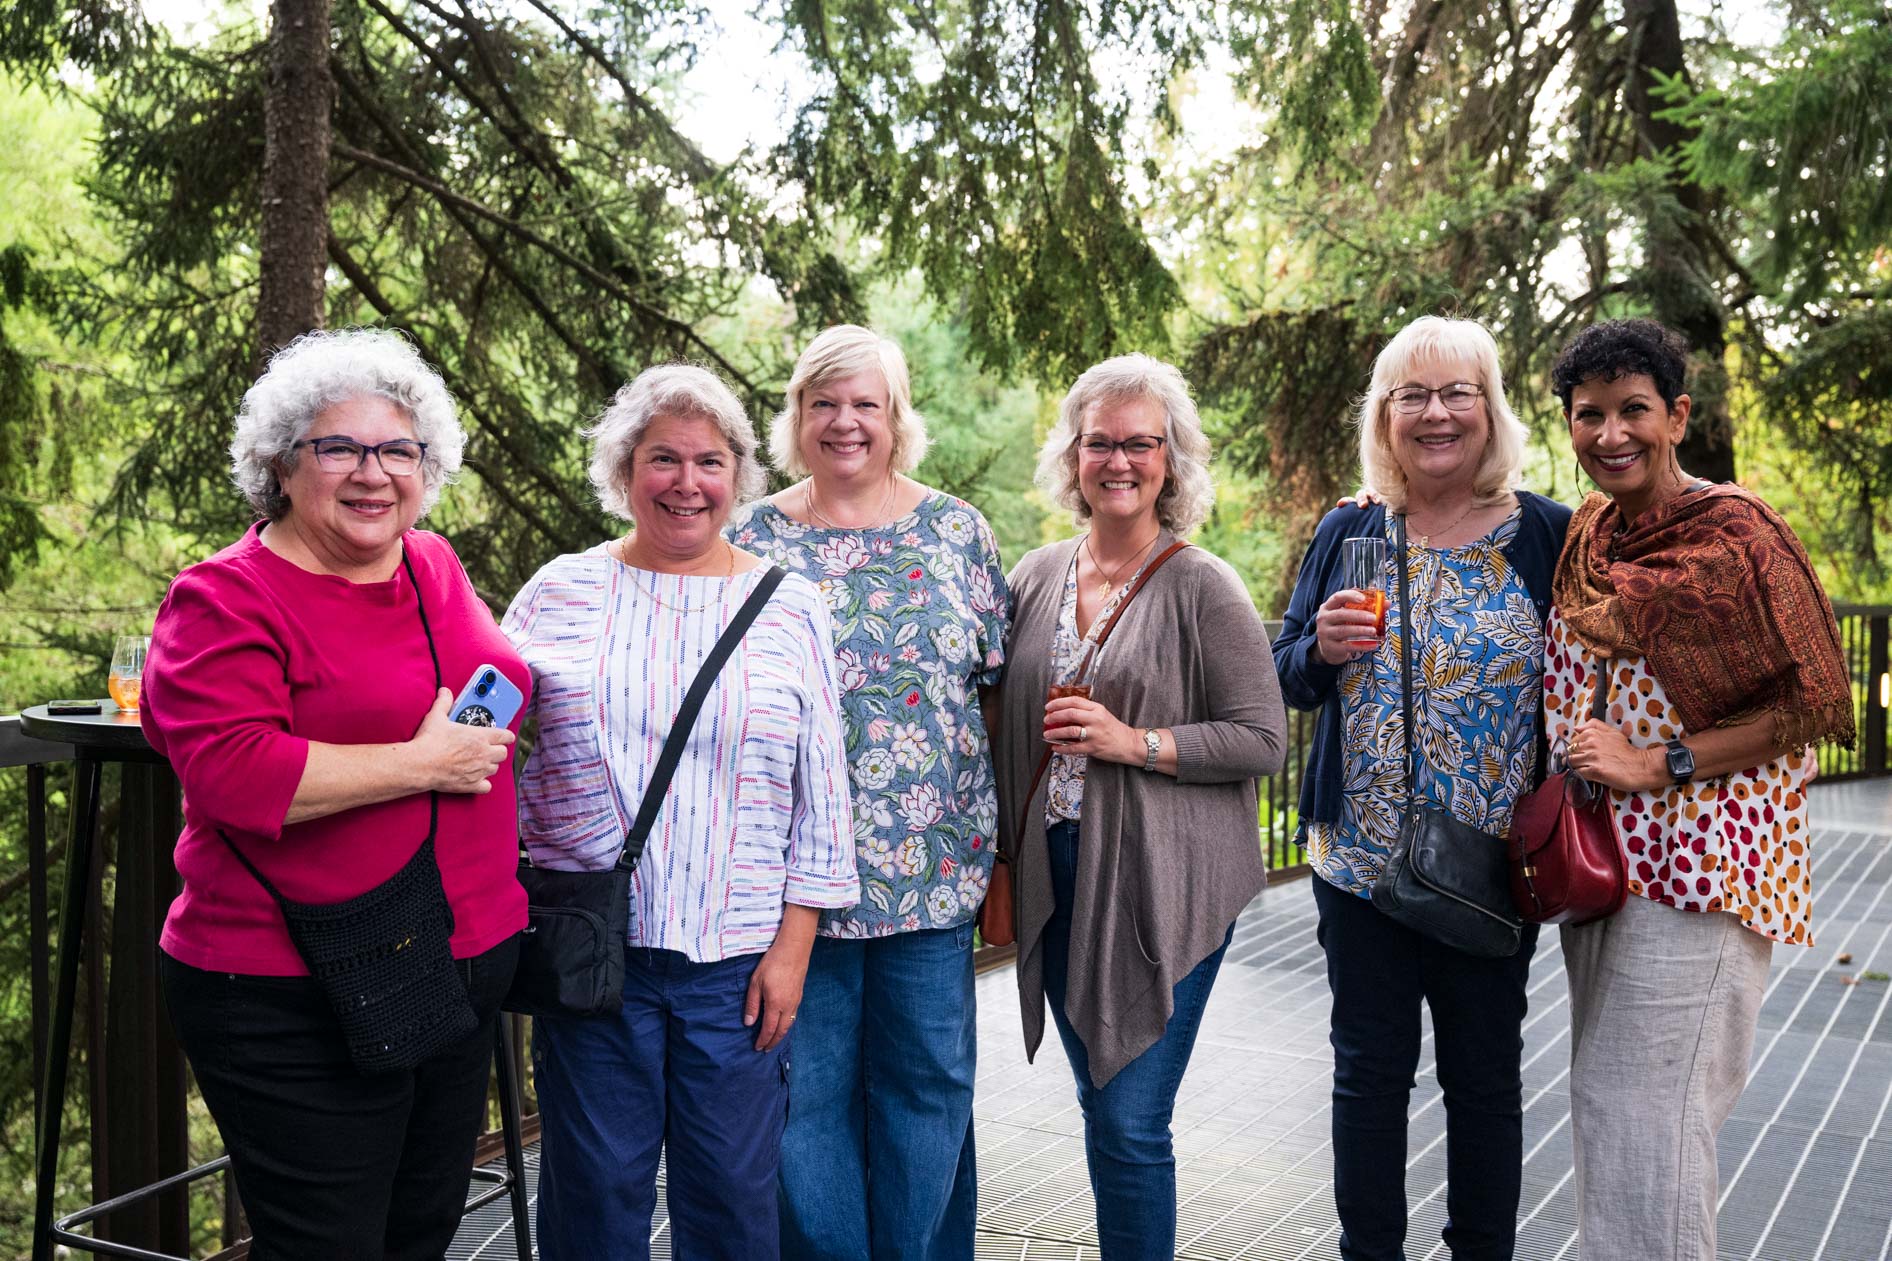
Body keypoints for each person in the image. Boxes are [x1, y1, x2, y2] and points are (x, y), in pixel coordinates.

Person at [144, 328, 527, 1258]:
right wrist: (421, 763)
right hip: (289, 986)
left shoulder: (431, 562)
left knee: (419, 1233)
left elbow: (502, 677)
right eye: (340, 447)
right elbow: (234, 770)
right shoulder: (224, 598)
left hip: (452, 963)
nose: (373, 472)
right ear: (281, 463)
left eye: (399, 450)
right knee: (330, 1244)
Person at [505, 362, 858, 1261]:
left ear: (737, 475)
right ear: (626, 471)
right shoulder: (558, 592)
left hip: (736, 966)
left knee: (733, 1207)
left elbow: (823, 795)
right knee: (593, 1198)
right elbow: (485, 740)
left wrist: (793, 947)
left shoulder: (791, 608)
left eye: (709, 462)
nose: (686, 483)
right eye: (663, 459)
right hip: (593, 955)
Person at [1547, 319, 1852, 1260]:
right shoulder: (1594, 534)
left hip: (1705, 867)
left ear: (1676, 416)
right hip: (1606, 868)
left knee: (1653, 1115)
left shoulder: (1738, 534)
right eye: (1588, 415)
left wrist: (1658, 761)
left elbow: (1814, 700)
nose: (1611, 434)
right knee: (1612, 1108)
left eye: (1633, 409)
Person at [1273, 315, 1571, 1261]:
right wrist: (1315, 649)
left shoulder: (1546, 535)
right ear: (1385, 415)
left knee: (1485, 1081)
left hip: (1489, 865)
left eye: (1457, 392)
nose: (1437, 413)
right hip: (1358, 866)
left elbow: (1593, 677)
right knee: (1368, 1077)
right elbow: (1281, 675)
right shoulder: (1351, 527)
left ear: (1489, 410)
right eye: (1414, 395)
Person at [993, 352, 1287, 1259]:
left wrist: (1137, 742)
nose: (1119, 461)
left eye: (1141, 444)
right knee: (1100, 1106)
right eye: (1100, 443)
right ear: (1074, 458)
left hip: (1162, 876)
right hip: (1061, 868)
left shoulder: (1204, 584)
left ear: (1172, 459)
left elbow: (1263, 739)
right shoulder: (1036, 575)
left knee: (1128, 1119)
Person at [728, 325, 1008, 1260]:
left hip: (932, 879)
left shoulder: (957, 529)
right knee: (802, 1103)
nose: (845, 422)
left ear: (896, 420)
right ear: (797, 416)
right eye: (824, 403)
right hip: (789, 889)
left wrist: (1005, 862)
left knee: (928, 1094)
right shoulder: (749, 536)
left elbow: (997, 697)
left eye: (866, 404)